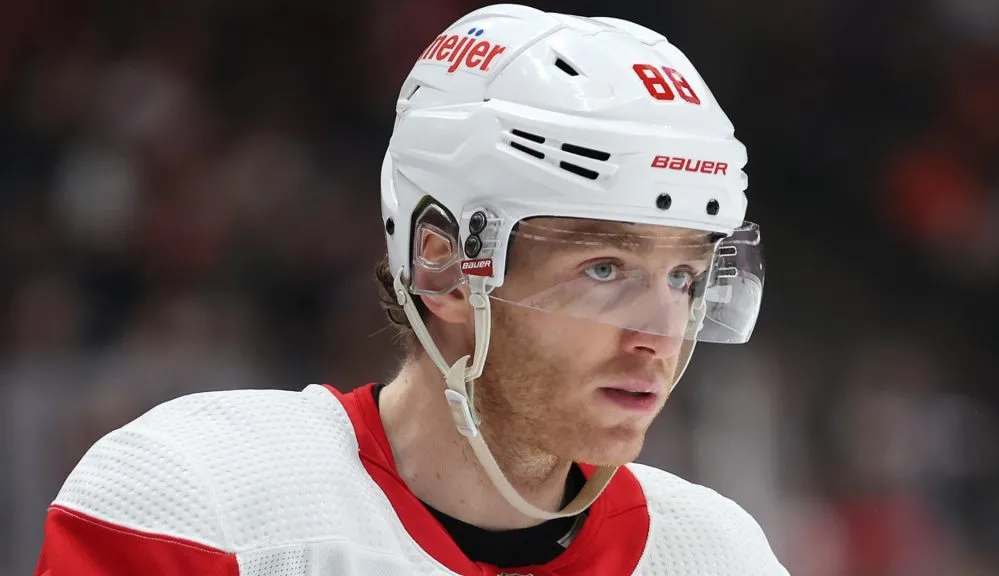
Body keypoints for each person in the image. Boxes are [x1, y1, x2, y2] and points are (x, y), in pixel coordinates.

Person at [34, 4, 786, 575]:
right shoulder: (198, 499)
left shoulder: (715, 556)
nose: (659, 333)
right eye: (605, 270)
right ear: (446, 267)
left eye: (684, 275)